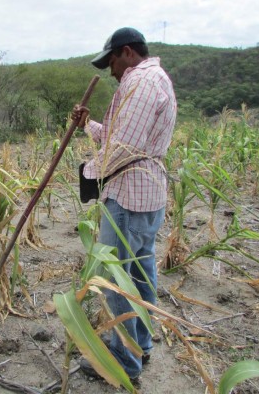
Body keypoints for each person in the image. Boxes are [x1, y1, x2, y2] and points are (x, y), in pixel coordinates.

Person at [72, 27, 177, 381]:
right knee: (141, 275)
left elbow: (124, 149)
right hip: (146, 193)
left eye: (112, 61)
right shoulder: (152, 80)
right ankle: (140, 346)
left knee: (117, 279)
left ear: (128, 53)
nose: (110, 70)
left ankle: (122, 362)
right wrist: (89, 125)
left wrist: (88, 173)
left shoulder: (142, 82)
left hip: (129, 195)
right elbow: (121, 137)